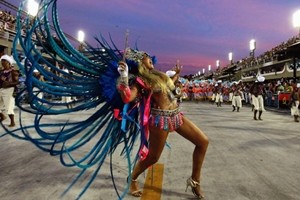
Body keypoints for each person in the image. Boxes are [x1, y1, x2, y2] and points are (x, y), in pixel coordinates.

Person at [117, 48, 209, 199]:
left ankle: (195, 182)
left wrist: (177, 75)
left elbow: (170, 88)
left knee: (203, 142)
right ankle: (132, 178)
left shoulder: (159, 76)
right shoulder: (141, 81)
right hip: (159, 121)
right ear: (140, 62)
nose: (150, 58)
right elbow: (127, 97)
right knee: (153, 157)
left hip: (176, 115)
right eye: (146, 57)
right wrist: (124, 76)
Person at [0, 54, 19, 127]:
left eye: (4, 61)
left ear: (8, 62)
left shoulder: (13, 72)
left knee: (9, 107)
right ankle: (2, 116)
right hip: (1, 89)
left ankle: (12, 122)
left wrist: (9, 83)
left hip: (10, 90)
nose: (2, 62)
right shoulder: (1, 72)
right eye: (2, 61)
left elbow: (17, 82)